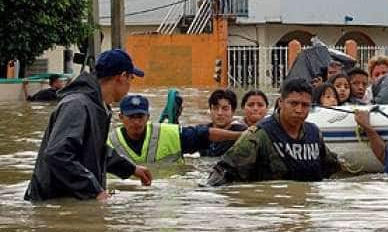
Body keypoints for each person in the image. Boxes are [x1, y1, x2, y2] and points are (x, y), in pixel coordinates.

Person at [24, 49, 152, 202]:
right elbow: (57, 154)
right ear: (122, 77)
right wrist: (94, 191)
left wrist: (131, 169)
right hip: (55, 204)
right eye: (131, 78)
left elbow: (94, 151)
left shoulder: (98, 106)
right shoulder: (77, 105)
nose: (130, 85)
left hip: (71, 202)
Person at [207, 79, 341, 185]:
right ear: (281, 103)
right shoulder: (259, 135)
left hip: (305, 209)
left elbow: (333, 169)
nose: (299, 110)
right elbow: (222, 174)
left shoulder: (314, 133)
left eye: (305, 105)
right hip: (272, 210)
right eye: (293, 104)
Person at [110, 94, 244, 162]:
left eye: (140, 116)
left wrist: (240, 136)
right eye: (131, 117)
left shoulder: (169, 133)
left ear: (148, 117)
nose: (136, 122)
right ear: (121, 117)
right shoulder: (108, 142)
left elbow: (204, 134)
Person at [197, 89, 248, 157]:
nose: (219, 113)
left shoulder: (244, 133)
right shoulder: (200, 132)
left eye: (225, 109)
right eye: (215, 108)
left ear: (233, 111)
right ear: (210, 110)